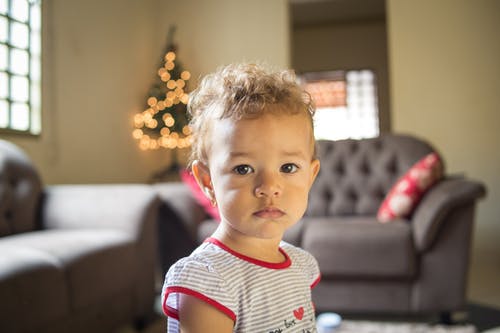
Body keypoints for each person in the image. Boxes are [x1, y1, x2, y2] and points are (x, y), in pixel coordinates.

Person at [162, 63, 321, 333]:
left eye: (288, 168)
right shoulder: (208, 281)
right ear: (207, 181)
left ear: (310, 175)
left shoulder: (300, 266)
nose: (269, 187)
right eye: (243, 169)